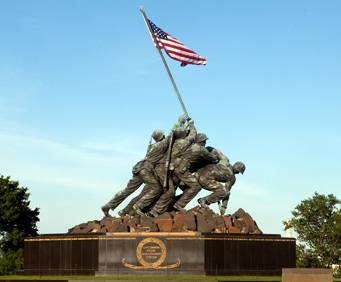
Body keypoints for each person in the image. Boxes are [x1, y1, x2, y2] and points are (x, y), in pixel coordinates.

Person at [101, 129, 168, 217]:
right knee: (157, 188)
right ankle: (138, 206)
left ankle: (108, 206)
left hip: (139, 168)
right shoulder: (161, 145)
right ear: (161, 137)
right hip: (146, 170)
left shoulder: (151, 146)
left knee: (127, 191)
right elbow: (172, 134)